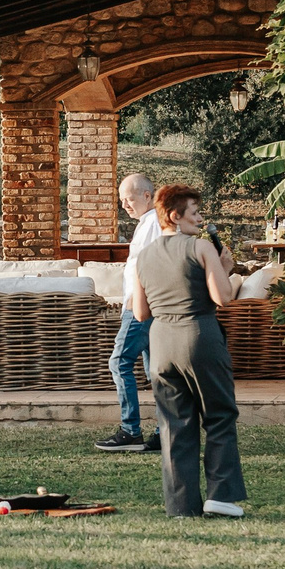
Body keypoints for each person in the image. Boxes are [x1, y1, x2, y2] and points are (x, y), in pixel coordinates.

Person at [128, 183, 247, 519]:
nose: (199, 219)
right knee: (219, 415)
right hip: (200, 335)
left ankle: (181, 505)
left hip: (162, 342)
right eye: (194, 213)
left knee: (174, 424)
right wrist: (225, 268)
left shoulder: (144, 255)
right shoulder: (200, 248)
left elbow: (140, 313)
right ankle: (221, 496)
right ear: (175, 216)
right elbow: (223, 298)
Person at [95, 173, 166, 453]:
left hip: (141, 307)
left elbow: (148, 267)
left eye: (130, 198)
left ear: (147, 196)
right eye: (122, 199)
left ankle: (130, 430)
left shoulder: (151, 224)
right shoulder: (149, 223)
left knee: (119, 362)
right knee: (154, 370)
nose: (125, 204)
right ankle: (164, 432)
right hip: (147, 306)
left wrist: (135, 300)